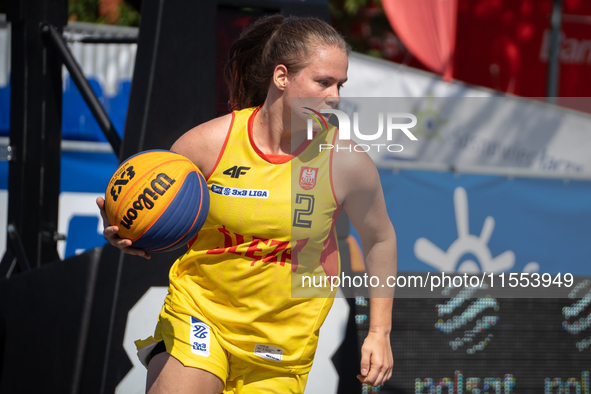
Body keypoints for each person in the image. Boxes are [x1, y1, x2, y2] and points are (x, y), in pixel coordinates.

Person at [97, 14, 396, 394]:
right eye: (323, 82)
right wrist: (125, 229)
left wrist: (379, 332)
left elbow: (380, 240)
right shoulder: (207, 144)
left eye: (340, 84)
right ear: (282, 77)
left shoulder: (346, 162)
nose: (335, 96)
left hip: (281, 348)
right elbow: (147, 205)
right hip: (201, 315)